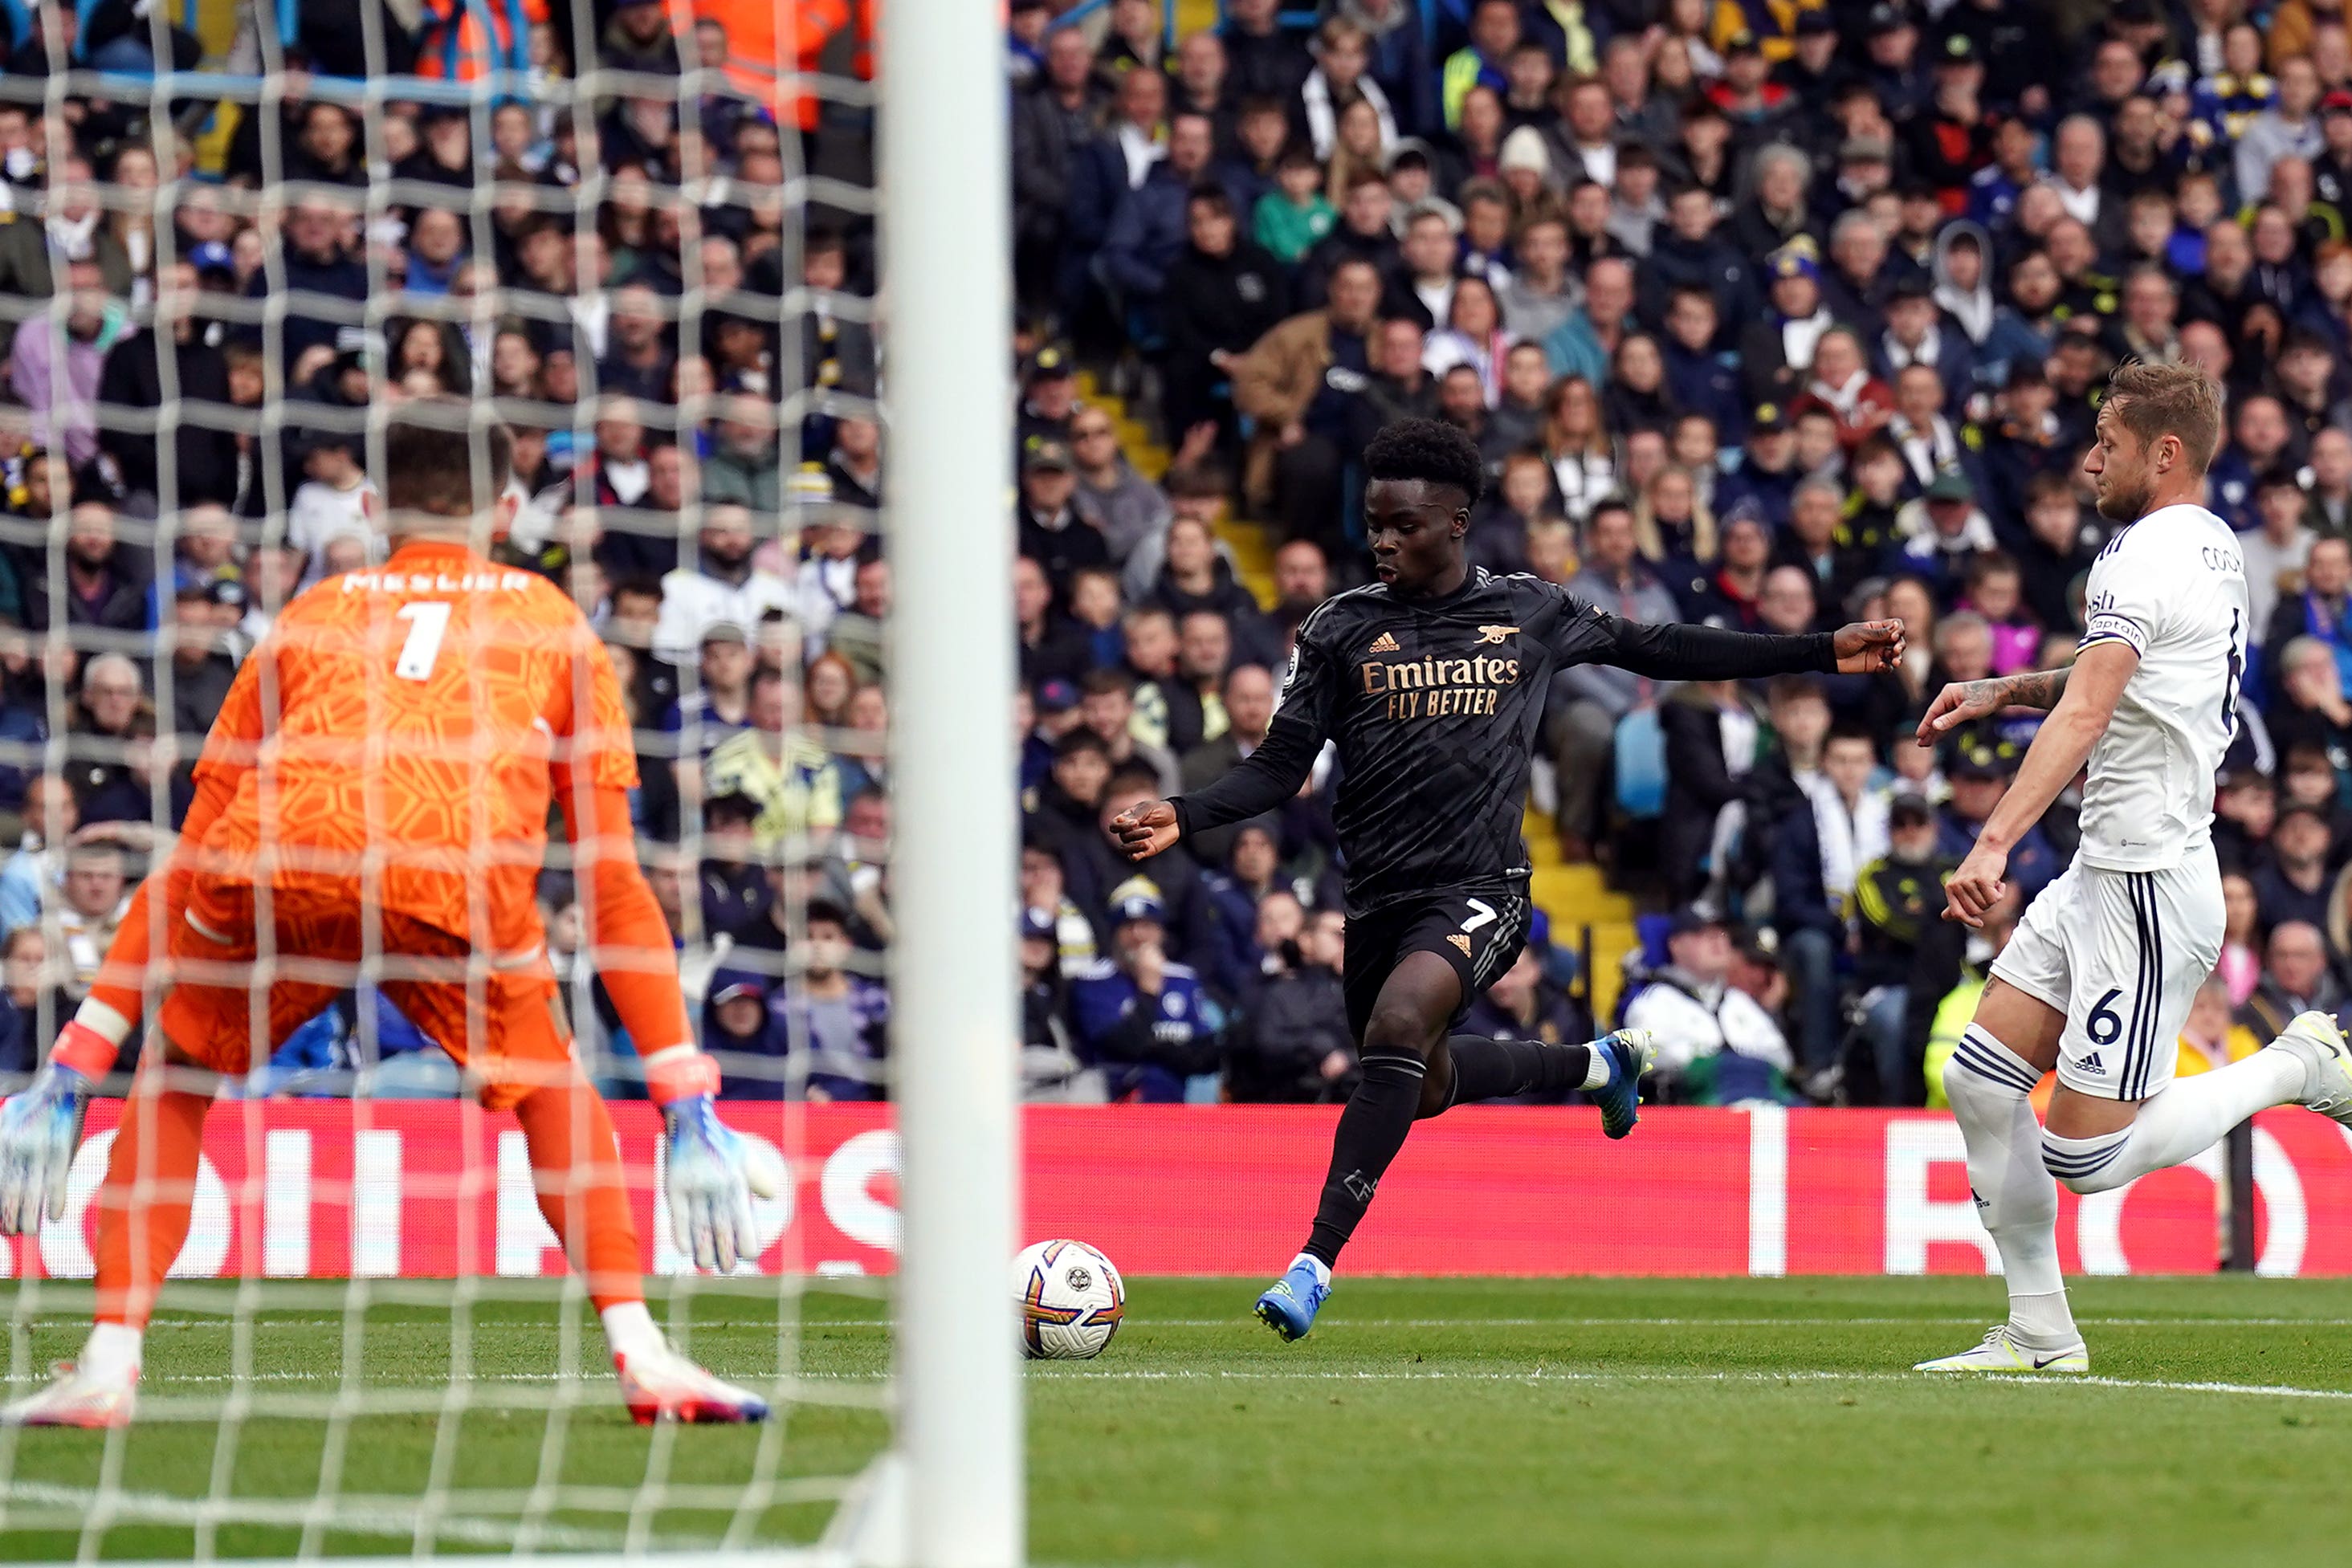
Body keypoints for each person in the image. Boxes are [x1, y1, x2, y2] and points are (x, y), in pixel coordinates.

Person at [0, 413, 772, 1428]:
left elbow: (190, 859)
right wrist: (682, 1095)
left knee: (176, 1075)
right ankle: (644, 1352)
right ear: (507, 510)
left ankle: (106, 1362)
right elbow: (612, 880)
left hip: (285, 863)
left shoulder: (312, 612)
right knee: (549, 1089)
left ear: (370, 510)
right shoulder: (550, 619)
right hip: (451, 876)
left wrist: (73, 1065)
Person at [1111, 417, 1906, 1341]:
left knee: (1401, 1024)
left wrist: (1815, 649)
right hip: (1376, 899)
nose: (1383, 540)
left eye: (1403, 524)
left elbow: (1663, 647)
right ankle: (1597, 1063)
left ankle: (1311, 1263)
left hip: (1482, 887)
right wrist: (1187, 809)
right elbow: (1280, 767)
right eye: (1374, 523)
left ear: (1456, 523)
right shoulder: (1339, 628)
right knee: (1421, 1078)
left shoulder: (1530, 610)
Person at [1910, 360, 2352, 1378]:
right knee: (1981, 1083)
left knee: (2085, 1157)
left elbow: (2092, 707)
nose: (2088, 457)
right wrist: (1997, 689)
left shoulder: (2138, 553)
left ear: (2163, 452)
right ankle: (2039, 1334)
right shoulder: (2208, 545)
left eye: (2107, 440)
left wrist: (1989, 842)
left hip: (2147, 885)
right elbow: (2112, 677)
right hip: (2102, 871)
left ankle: (2298, 1065)